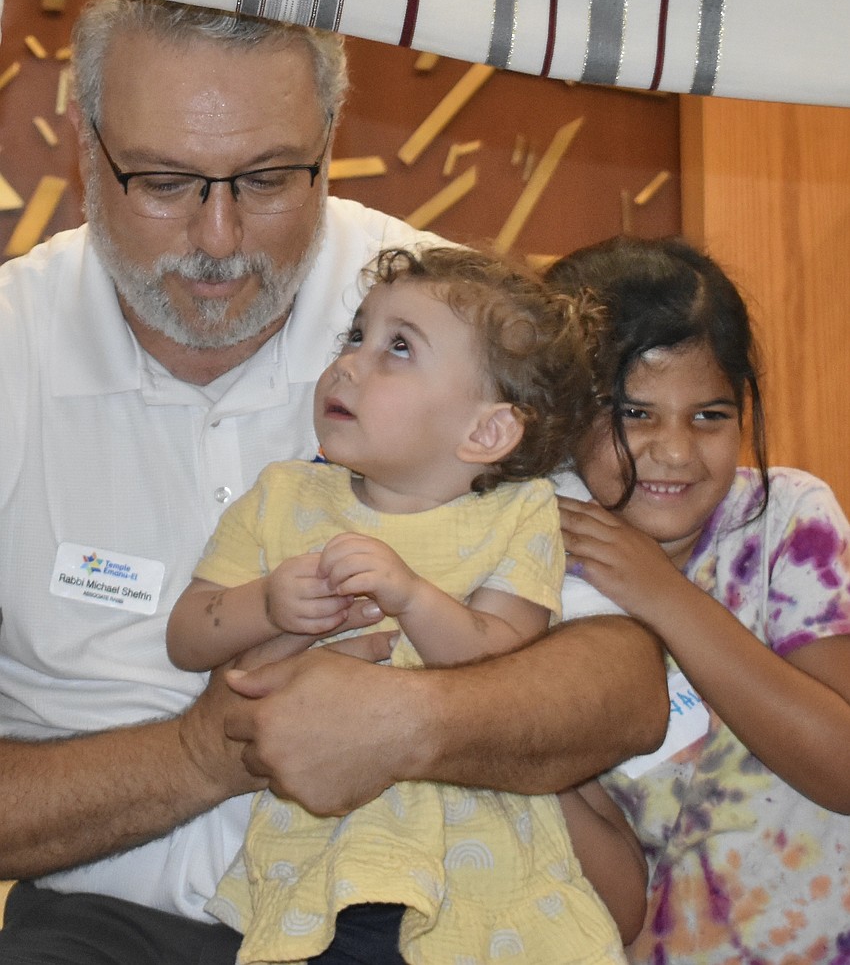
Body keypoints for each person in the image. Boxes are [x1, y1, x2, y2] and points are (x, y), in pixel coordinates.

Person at [0, 0, 667, 965]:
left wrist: (412, 721)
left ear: (329, 140)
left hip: (412, 910)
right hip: (102, 921)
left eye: (268, 178)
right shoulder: (13, 347)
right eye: (165, 180)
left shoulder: (454, 311)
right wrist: (201, 752)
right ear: (85, 144)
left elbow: (623, 687)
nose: (219, 238)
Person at [168, 243, 637, 963]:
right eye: (355, 335)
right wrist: (270, 604)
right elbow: (189, 636)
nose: (351, 362)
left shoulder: (518, 515)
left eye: (398, 348)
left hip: (478, 874)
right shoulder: (284, 497)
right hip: (321, 869)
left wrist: (413, 597)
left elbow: (504, 665)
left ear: (486, 431)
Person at [546, 235, 850, 963]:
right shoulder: (529, 566)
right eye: (635, 414)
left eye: (709, 415)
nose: (676, 451)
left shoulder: (788, 519)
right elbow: (606, 894)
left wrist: (664, 597)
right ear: (556, 410)